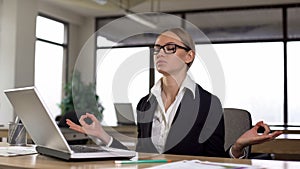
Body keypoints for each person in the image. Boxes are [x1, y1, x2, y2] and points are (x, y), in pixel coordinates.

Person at [66, 28, 282, 158]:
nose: (160, 53)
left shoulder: (209, 104)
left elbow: (215, 162)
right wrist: (101, 136)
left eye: (170, 47)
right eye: (157, 48)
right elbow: (142, 157)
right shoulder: (145, 103)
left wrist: (237, 145)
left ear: (189, 56)